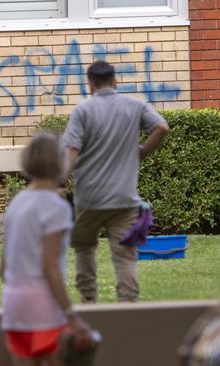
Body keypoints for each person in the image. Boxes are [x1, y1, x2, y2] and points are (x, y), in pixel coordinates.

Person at [62, 61, 170, 304]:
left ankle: (89, 301)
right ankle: (128, 308)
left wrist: (59, 181)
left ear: (89, 84)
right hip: (124, 199)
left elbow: (71, 151)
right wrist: (142, 151)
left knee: (85, 249)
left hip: (88, 199)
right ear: (115, 81)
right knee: (124, 257)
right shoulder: (135, 106)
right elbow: (162, 127)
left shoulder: (83, 111)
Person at [0, 133, 94, 366]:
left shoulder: (17, 202)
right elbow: (50, 266)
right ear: (59, 162)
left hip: (13, 307)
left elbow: (3, 268)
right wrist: (72, 316)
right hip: (43, 308)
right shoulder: (55, 207)